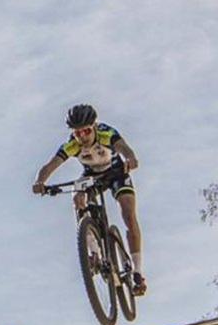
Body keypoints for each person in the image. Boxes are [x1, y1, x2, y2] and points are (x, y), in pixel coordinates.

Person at [32, 104, 147, 296]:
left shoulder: (105, 134)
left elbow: (124, 148)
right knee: (78, 197)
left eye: (86, 131)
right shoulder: (73, 144)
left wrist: (131, 159)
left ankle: (137, 271)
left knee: (128, 214)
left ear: (93, 127)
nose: (82, 137)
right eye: (77, 133)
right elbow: (51, 165)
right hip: (92, 175)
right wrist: (40, 181)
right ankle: (95, 251)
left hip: (116, 172)